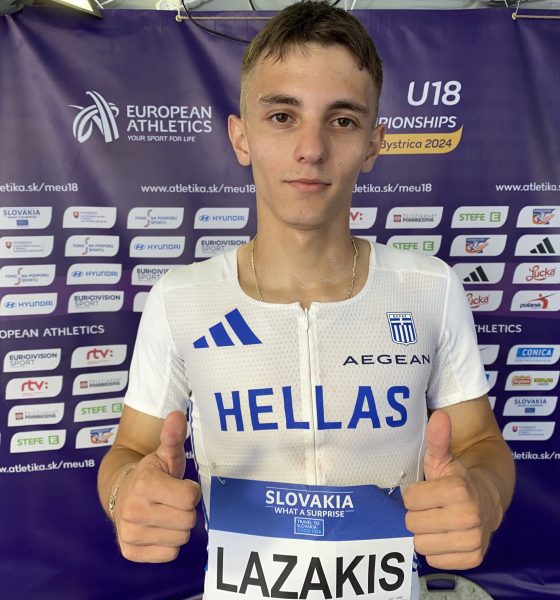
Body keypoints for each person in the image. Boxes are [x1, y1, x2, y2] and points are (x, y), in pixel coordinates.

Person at [98, 1, 515, 597]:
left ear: (373, 144)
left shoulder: (430, 288)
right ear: (240, 136)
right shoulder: (181, 299)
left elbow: (481, 445)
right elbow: (131, 450)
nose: (311, 148)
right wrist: (126, 495)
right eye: (282, 116)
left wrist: (485, 494)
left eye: (341, 120)